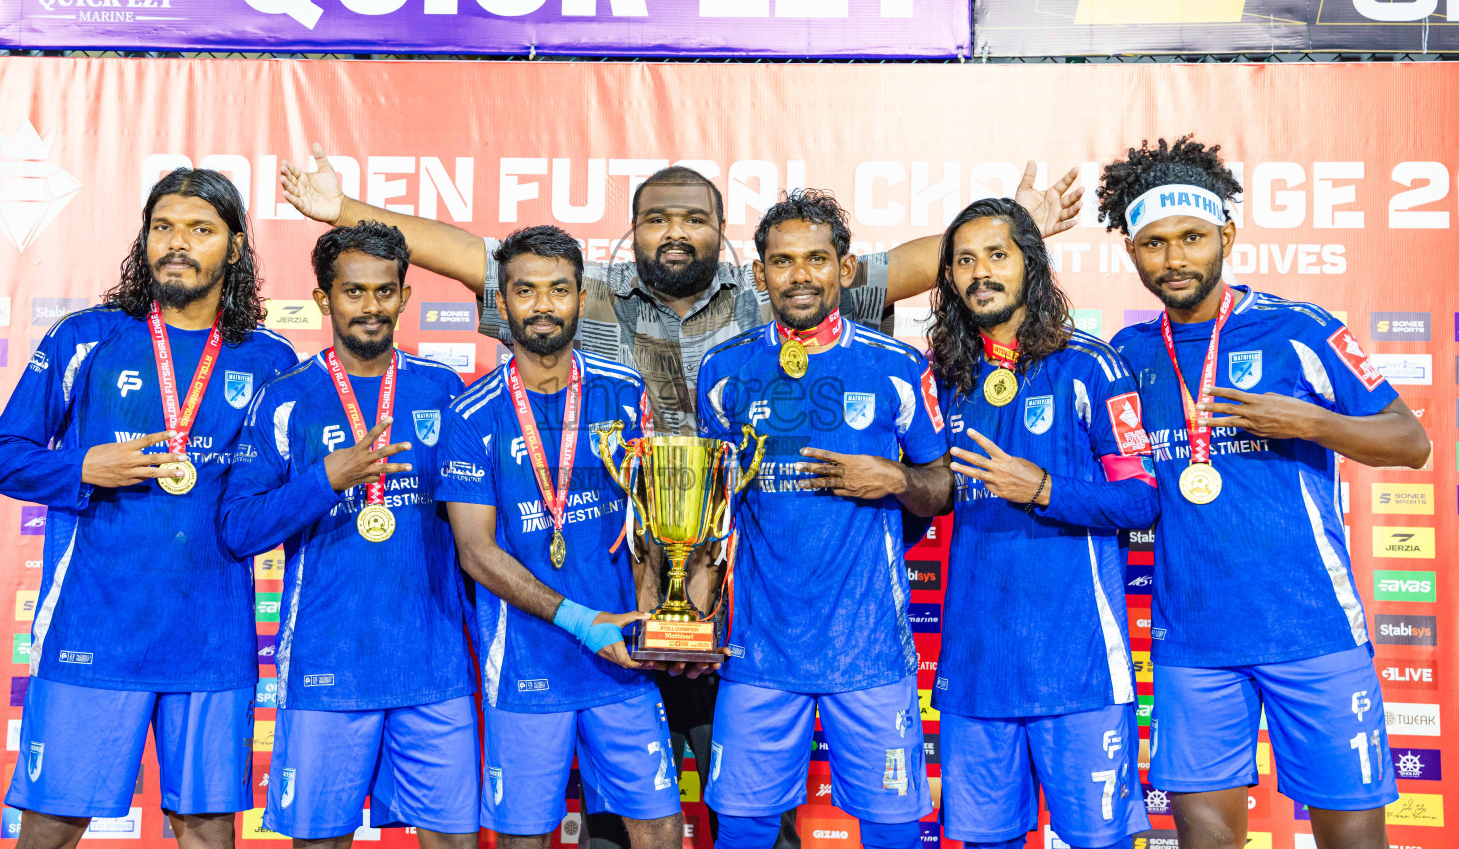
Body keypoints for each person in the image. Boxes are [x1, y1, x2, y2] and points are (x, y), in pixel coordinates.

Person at [280, 146, 1082, 847]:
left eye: (693, 218)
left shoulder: (769, 283)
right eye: (657, 218)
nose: (675, 232)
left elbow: (906, 267)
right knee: (608, 808)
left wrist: (1016, 228)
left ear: (722, 232)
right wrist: (341, 209)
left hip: (731, 595)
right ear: (632, 234)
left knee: (737, 802)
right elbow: (470, 257)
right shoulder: (583, 291)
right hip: (612, 584)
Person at [1097, 136, 1431, 849]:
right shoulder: (1126, 355)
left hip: (1311, 631)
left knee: (1352, 842)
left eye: (1190, 237)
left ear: (1225, 234)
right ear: (1131, 252)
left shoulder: (1297, 329)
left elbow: (1411, 442)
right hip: (1192, 641)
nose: (1173, 258)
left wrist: (1307, 420)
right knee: (1205, 841)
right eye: (1152, 244)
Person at [0, 170, 299, 849]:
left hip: (213, 639)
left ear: (235, 247)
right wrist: (82, 466)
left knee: (207, 829)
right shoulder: (85, 339)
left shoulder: (271, 359)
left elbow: (278, 500)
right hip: (94, 628)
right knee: (52, 825)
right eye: (163, 227)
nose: (176, 244)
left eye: (199, 230)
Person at [694, 190, 953, 849]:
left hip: (869, 650)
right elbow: (709, 513)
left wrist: (895, 479)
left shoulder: (896, 367)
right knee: (744, 831)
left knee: (894, 830)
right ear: (759, 275)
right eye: (782, 262)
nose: (799, 275)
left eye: (816, 259)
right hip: (757, 650)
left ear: (844, 268)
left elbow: (942, 486)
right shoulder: (724, 373)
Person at [221, 222, 478, 848]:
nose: (370, 306)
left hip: (433, 666)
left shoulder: (443, 390)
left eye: (384, 292)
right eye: (354, 292)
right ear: (323, 300)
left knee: (454, 840)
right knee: (320, 840)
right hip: (326, 667)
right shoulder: (287, 398)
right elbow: (238, 528)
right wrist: (327, 478)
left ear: (405, 298)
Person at [435, 225, 683, 849]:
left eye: (559, 290)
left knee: (660, 828)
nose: (543, 305)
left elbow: (654, 522)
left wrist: (653, 617)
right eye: (526, 290)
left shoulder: (625, 394)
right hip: (524, 662)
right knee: (524, 838)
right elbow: (475, 551)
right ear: (503, 299)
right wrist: (579, 619)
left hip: (622, 659)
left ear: (580, 296)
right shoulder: (469, 414)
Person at [925, 198, 1156, 849]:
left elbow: (1141, 499)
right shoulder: (940, 377)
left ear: (1031, 264)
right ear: (946, 279)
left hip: (1077, 668)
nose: (980, 273)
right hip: (974, 671)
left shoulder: (1090, 364)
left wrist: (1045, 489)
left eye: (997, 255)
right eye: (963, 261)